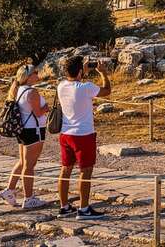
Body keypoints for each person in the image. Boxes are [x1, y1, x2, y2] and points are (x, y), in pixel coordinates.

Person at [57, 55, 111, 219]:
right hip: (83, 134)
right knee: (85, 172)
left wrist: (82, 72)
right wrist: (103, 73)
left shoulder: (61, 86)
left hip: (66, 133)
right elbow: (107, 91)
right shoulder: (86, 87)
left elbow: (76, 83)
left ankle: (64, 206)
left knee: (65, 170)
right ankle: (84, 208)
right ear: (80, 71)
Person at [0, 63, 50, 209]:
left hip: (24, 129)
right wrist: (46, 108)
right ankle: (28, 198)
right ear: (29, 76)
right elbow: (38, 112)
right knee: (29, 165)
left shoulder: (19, 89)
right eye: (35, 72)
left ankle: (10, 190)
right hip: (34, 130)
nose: (38, 74)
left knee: (22, 162)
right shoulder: (32, 92)